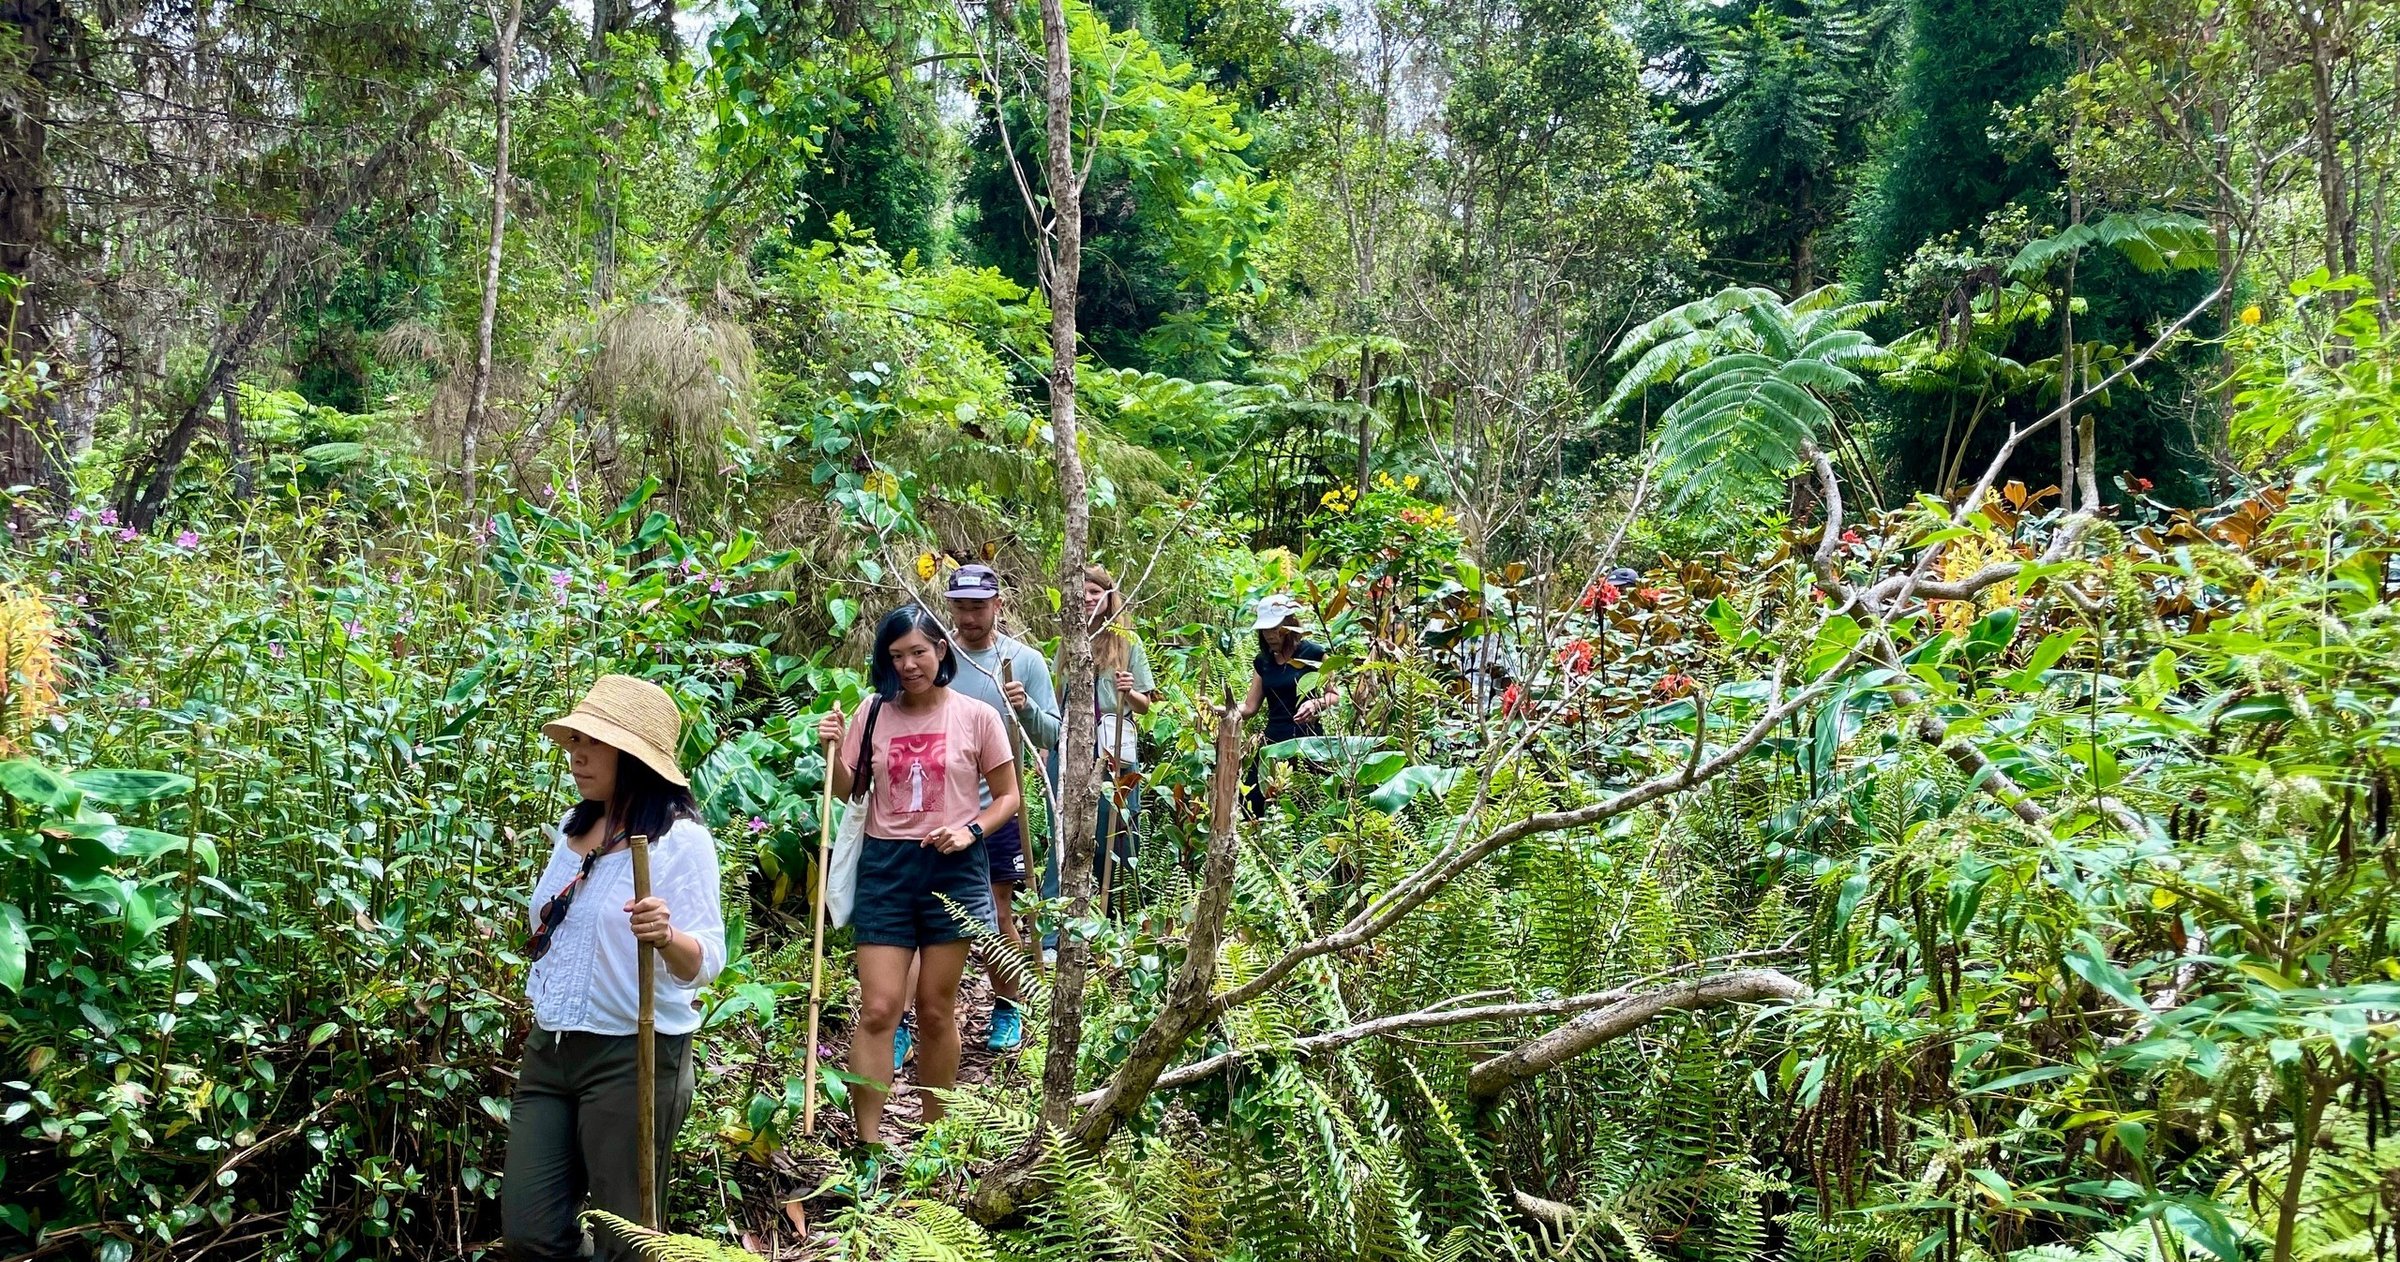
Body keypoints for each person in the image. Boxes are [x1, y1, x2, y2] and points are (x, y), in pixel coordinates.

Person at [503, 675, 727, 1262]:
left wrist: (666, 935)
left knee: (625, 1242)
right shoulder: (576, 829)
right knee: (529, 1230)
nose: (576, 754)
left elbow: (707, 960)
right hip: (551, 1049)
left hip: (635, 1055)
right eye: (575, 740)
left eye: (593, 743)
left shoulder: (681, 842)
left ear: (633, 757)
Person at [816, 606, 1020, 1155]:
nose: (909, 665)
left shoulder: (978, 716)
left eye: (919, 653)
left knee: (934, 1008)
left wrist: (970, 829)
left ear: (941, 650)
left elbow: (1009, 797)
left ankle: (935, 1142)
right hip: (885, 866)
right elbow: (849, 791)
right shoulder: (873, 713)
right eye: (897, 656)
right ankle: (868, 1146)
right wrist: (829, 746)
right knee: (880, 1007)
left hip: (953, 868)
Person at [938, 564, 1060, 1052]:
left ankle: (1008, 1009)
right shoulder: (936, 654)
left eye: (977, 607)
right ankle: (914, 1021)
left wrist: (1025, 707)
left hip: (998, 806)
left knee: (996, 912)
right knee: (927, 915)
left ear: (997, 606)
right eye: (960, 607)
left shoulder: (1022, 660)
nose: (968, 617)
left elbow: (1054, 731)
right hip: (936, 808)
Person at [1044, 564, 1157, 918]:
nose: (1089, 599)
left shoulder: (1127, 643)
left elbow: (1145, 704)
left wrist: (1130, 691)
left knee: (1117, 825)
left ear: (1108, 598)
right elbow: (1056, 702)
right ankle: (1057, 919)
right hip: (1069, 744)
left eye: (1095, 592)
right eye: (1082, 593)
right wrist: (1047, 752)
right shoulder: (1067, 643)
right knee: (1062, 830)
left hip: (1113, 745)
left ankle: (1116, 916)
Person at [1237, 593, 1330, 816]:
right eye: (1265, 630)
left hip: (1308, 740)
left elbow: (1333, 695)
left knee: (1310, 802)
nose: (1269, 635)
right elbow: (1249, 707)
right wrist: (1221, 710)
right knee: (1252, 800)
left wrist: (1315, 704)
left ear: (1289, 624)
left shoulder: (1314, 653)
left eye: (1274, 628)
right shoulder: (1263, 662)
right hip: (1274, 742)